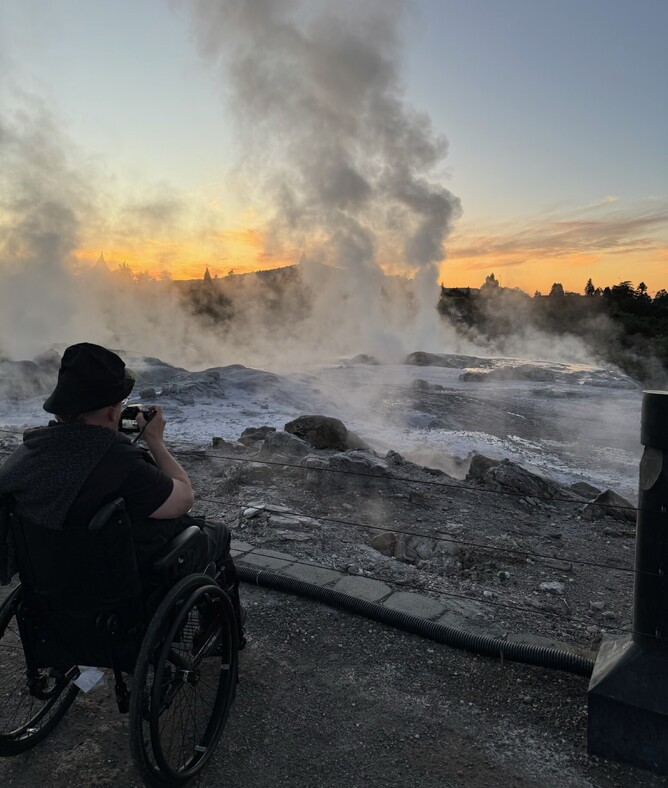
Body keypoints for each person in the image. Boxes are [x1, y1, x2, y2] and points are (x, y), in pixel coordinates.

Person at [0, 342, 244, 644]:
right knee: (216, 533)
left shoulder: (26, 455)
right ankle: (223, 633)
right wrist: (155, 441)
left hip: (54, 595)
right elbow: (183, 499)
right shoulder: (118, 462)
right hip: (120, 599)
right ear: (114, 410)